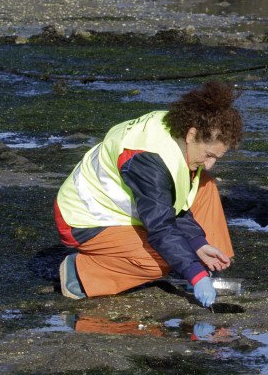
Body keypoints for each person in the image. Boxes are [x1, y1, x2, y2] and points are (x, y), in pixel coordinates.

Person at [54, 80, 243, 309]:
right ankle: (81, 274)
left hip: (127, 208)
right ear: (192, 134)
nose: (210, 164)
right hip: (84, 219)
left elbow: (174, 203)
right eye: (209, 155)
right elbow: (161, 227)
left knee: (205, 184)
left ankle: (206, 269)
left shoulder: (177, 131)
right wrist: (191, 270)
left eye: (216, 158)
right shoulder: (147, 160)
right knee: (161, 259)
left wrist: (198, 243)